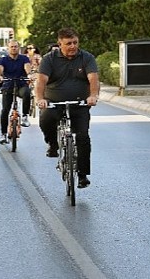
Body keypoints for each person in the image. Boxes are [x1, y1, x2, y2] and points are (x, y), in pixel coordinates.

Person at [35, 27, 100, 189]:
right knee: (45, 120)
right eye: (68, 43)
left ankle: (83, 175)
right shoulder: (49, 59)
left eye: (75, 43)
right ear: (60, 44)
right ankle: (52, 144)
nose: (73, 46)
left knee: (83, 137)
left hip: (80, 103)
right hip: (54, 102)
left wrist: (93, 96)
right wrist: (40, 99)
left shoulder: (87, 58)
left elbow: (93, 79)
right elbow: (41, 81)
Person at [0, 40, 32, 144]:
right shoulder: (3, 60)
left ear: (19, 48)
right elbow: (0, 70)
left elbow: (27, 68)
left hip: (21, 84)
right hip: (8, 85)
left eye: (16, 46)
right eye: (11, 47)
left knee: (26, 92)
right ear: (8, 48)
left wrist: (29, 74)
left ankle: (25, 116)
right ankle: (3, 134)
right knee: (5, 110)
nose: (14, 48)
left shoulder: (24, 58)